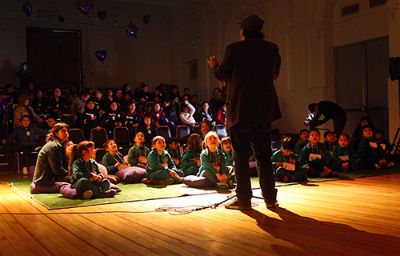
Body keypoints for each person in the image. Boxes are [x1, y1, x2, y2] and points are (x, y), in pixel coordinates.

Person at [208, 14, 281, 209]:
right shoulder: (272, 48)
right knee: (264, 156)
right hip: (263, 111)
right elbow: (275, 73)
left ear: (243, 31)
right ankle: (270, 199)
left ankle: (244, 200)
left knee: (240, 156)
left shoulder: (234, 49)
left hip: (240, 110)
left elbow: (222, 74)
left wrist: (214, 66)